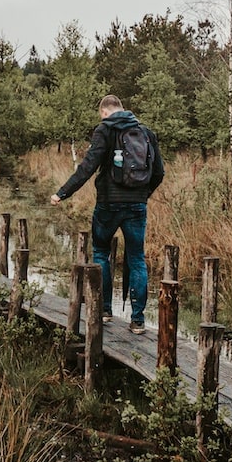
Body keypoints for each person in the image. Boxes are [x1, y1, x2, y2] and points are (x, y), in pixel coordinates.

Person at [49, 94, 164, 334]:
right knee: (136, 258)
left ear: (104, 112)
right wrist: (142, 195)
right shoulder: (146, 132)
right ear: (122, 109)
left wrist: (62, 193)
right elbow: (159, 172)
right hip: (136, 206)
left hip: (108, 205)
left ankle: (104, 310)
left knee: (101, 253)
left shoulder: (104, 130)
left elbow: (88, 166)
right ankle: (138, 321)